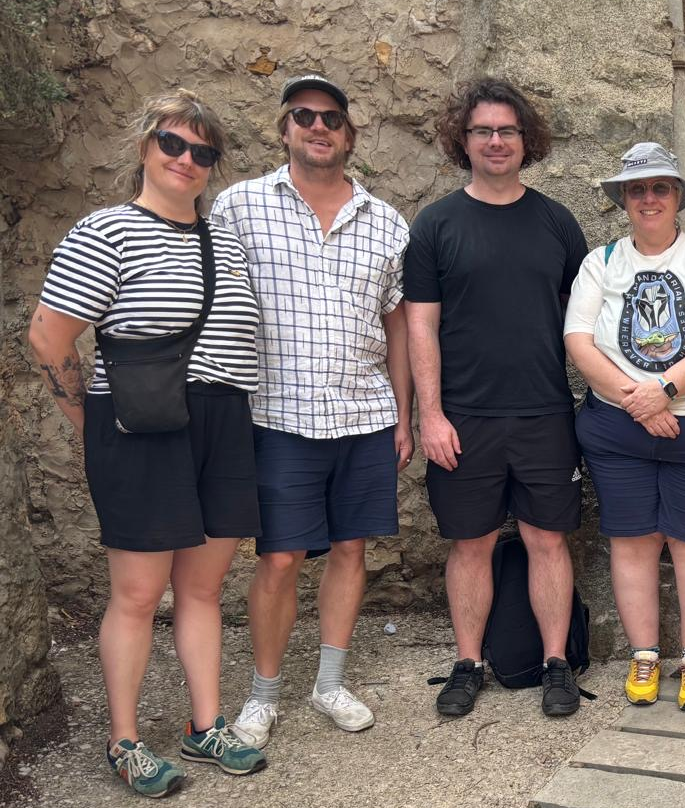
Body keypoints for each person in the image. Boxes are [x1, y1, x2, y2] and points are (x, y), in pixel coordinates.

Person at [28, 90, 266, 797]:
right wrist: (89, 423)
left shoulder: (224, 238)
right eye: (174, 144)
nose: (187, 160)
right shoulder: (105, 232)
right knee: (137, 594)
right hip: (141, 426)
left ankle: (204, 725)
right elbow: (49, 336)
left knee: (203, 586)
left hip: (222, 421)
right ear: (144, 146)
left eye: (203, 152)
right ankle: (124, 741)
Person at [211, 74, 412, 748]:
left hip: (363, 414)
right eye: (304, 116)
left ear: (349, 134)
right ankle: (263, 695)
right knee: (279, 558)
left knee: (351, 550)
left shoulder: (385, 221)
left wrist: (405, 416)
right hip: (277, 415)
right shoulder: (239, 207)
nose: (317, 127)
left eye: (330, 117)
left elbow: (399, 326)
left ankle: (329, 683)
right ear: (285, 129)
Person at [405, 77, 590, 718]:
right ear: (464, 140)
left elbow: (583, 321)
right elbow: (420, 325)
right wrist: (429, 415)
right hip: (464, 419)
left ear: (524, 140)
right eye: (482, 130)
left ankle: (556, 664)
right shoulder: (435, 224)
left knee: (547, 540)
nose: (494, 141)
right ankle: (467, 662)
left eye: (506, 130)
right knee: (472, 543)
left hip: (544, 413)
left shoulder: (557, 223)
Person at [564, 142, 685, 710]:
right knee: (633, 541)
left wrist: (664, 390)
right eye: (637, 189)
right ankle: (644, 655)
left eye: (659, 188)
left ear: (677, 197)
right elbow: (578, 340)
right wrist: (637, 401)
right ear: (623, 199)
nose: (648, 198)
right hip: (619, 431)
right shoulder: (602, 262)